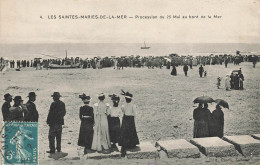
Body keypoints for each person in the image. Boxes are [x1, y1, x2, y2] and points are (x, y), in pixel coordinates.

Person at [119, 90, 139, 157]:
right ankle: (131, 144)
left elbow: (122, 111)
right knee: (131, 130)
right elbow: (135, 113)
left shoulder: (123, 105)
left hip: (125, 119)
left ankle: (125, 144)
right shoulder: (133, 105)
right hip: (130, 119)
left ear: (125, 99)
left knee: (125, 131)